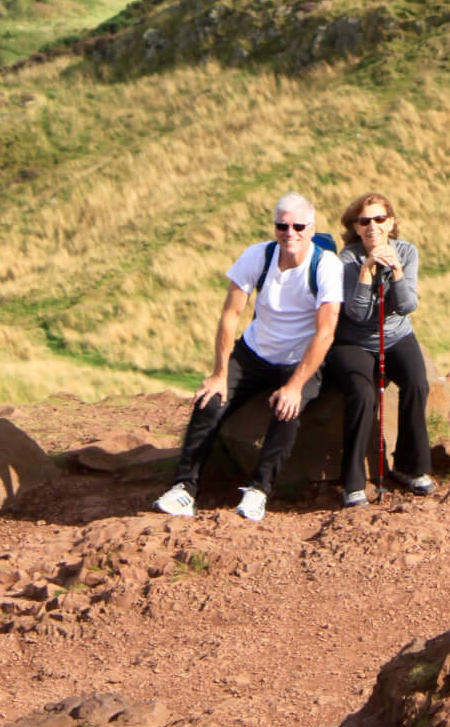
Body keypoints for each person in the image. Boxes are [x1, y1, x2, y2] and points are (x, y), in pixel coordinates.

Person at [155, 192, 343, 523]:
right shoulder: (258, 256)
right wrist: (218, 372)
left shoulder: (326, 265)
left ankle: (259, 491)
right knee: (209, 401)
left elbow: (326, 332)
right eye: (282, 226)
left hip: (299, 358)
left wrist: (296, 385)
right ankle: (184, 488)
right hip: (255, 351)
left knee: (287, 411)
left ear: (312, 228)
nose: (290, 234)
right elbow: (231, 313)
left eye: (299, 226)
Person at [326, 188, 433, 507]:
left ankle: (410, 467)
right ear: (355, 227)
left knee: (417, 383)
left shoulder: (407, 251)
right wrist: (365, 271)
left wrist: (396, 270)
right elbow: (356, 315)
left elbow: (407, 304)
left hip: (397, 335)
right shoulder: (347, 259)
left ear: (391, 223)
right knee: (363, 394)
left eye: (379, 219)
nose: (372, 226)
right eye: (364, 221)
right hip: (354, 341)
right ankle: (353, 482)